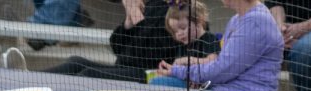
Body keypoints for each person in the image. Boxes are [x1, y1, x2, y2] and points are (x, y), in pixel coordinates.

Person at [46, 0, 219, 84]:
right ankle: (27, 78)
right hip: (123, 67)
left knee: (87, 74)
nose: (179, 32)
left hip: (146, 73)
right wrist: (128, 24)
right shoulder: (151, 4)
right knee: (76, 62)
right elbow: (116, 46)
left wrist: (136, 16)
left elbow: (157, 55)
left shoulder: (185, 17)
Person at [156, 0, 284, 91]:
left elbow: (223, 70)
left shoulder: (255, 22)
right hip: (223, 89)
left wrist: (178, 71)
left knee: (161, 85)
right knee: (160, 83)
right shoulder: (237, 19)